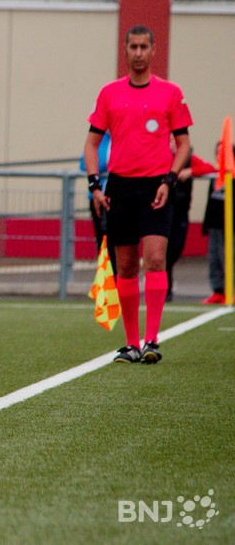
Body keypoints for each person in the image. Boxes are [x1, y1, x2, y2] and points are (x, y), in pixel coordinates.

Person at [83, 25, 193, 365]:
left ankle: (152, 340)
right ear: (126, 50)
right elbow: (91, 143)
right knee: (127, 265)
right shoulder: (109, 93)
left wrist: (169, 180)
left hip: (156, 186)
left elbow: (183, 144)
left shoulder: (170, 93)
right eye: (133, 47)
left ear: (153, 50)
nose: (139, 53)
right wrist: (95, 186)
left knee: (155, 258)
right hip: (120, 187)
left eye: (144, 46)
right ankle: (132, 344)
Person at [165, 145, 215, 301]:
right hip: (163, 210)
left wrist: (190, 171)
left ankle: (165, 284)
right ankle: (165, 289)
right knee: (163, 252)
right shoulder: (161, 156)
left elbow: (209, 168)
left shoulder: (188, 158)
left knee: (176, 248)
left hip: (180, 211)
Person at [80, 131, 116, 274]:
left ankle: (118, 279)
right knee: (103, 241)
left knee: (120, 242)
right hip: (99, 198)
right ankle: (106, 278)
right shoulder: (100, 138)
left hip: (121, 197)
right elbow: (85, 163)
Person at [200, 144, 232, 304]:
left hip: (230, 226)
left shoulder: (232, 175)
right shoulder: (215, 176)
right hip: (215, 224)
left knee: (229, 258)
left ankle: (231, 289)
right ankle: (218, 290)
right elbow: (210, 200)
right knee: (214, 258)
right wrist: (206, 223)